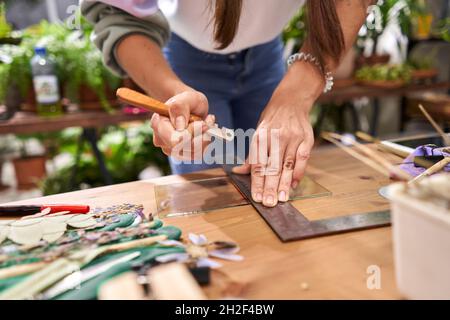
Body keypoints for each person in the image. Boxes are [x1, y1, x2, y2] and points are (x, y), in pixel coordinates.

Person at [81, 0, 372, 207]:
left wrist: (296, 95)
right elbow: (117, 14)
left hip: (268, 54)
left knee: (274, 183)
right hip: (186, 56)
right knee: (204, 202)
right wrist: (171, 92)